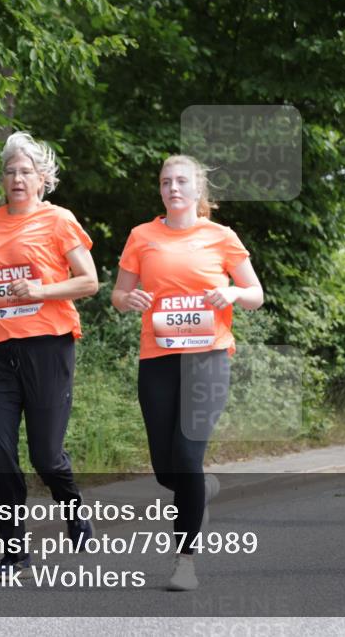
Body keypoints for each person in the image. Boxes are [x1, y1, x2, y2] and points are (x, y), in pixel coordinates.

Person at [112, 154, 264, 591]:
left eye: (181, 182)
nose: (173, 188)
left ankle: (185, 561)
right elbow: (119, 294)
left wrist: (232, 292)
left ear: (199, 191)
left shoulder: (221, 236)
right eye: (165, 182)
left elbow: (255, 294)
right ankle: (202, 489)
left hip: (208, 358)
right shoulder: (142, 236)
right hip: (157, 358)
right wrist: (130, 301)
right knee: (165, 469)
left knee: (186, 456)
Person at [0, 131, 99, 575]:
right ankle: (15, 548)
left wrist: (41, 288)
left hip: (48, 346)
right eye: (10, 171)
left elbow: (89, 282)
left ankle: (71, 504)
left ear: (42, 179)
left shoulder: (59, 221)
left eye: (25, 171)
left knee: (45, 456)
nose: (17, 178)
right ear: (2, 180)